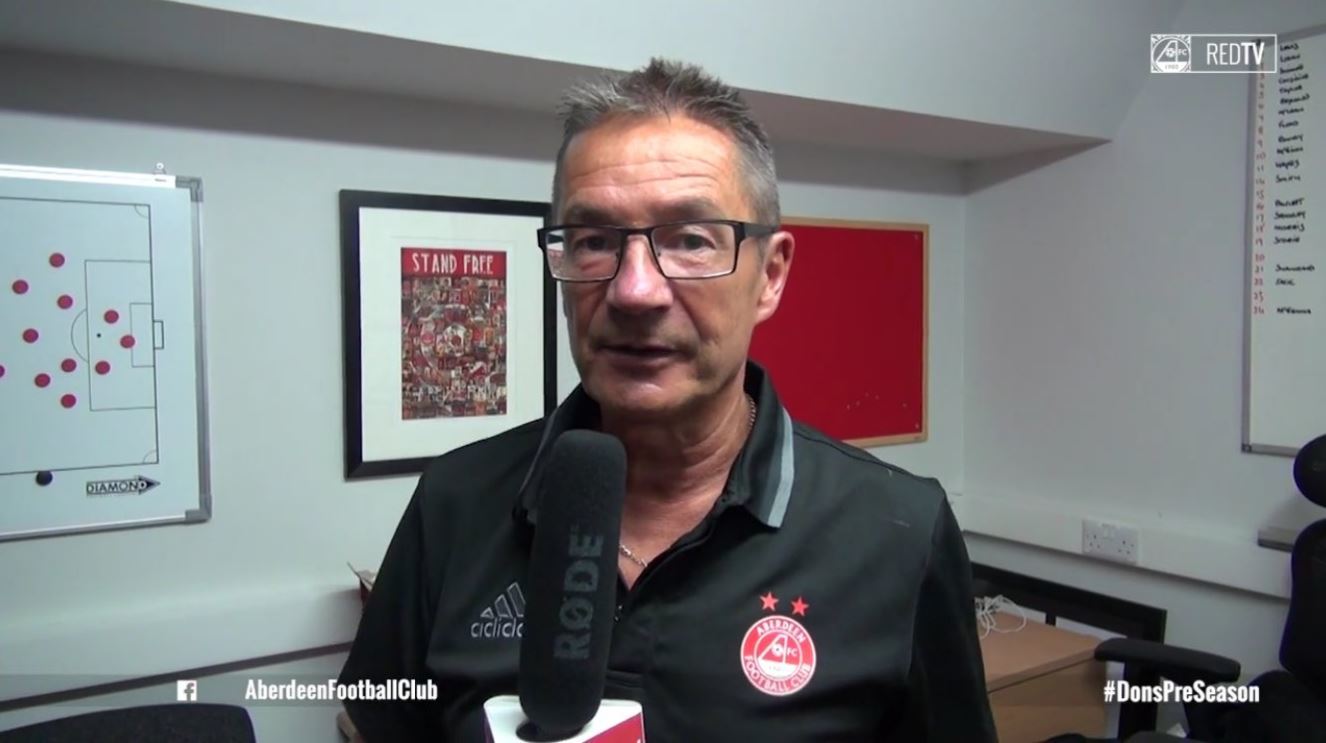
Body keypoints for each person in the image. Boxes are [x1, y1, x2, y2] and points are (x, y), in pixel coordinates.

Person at [339, 57, 995, 742]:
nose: (634, 291)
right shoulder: (455, 501)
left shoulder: (897, 531)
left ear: (769, 275)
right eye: (594, 241)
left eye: (689, 240)